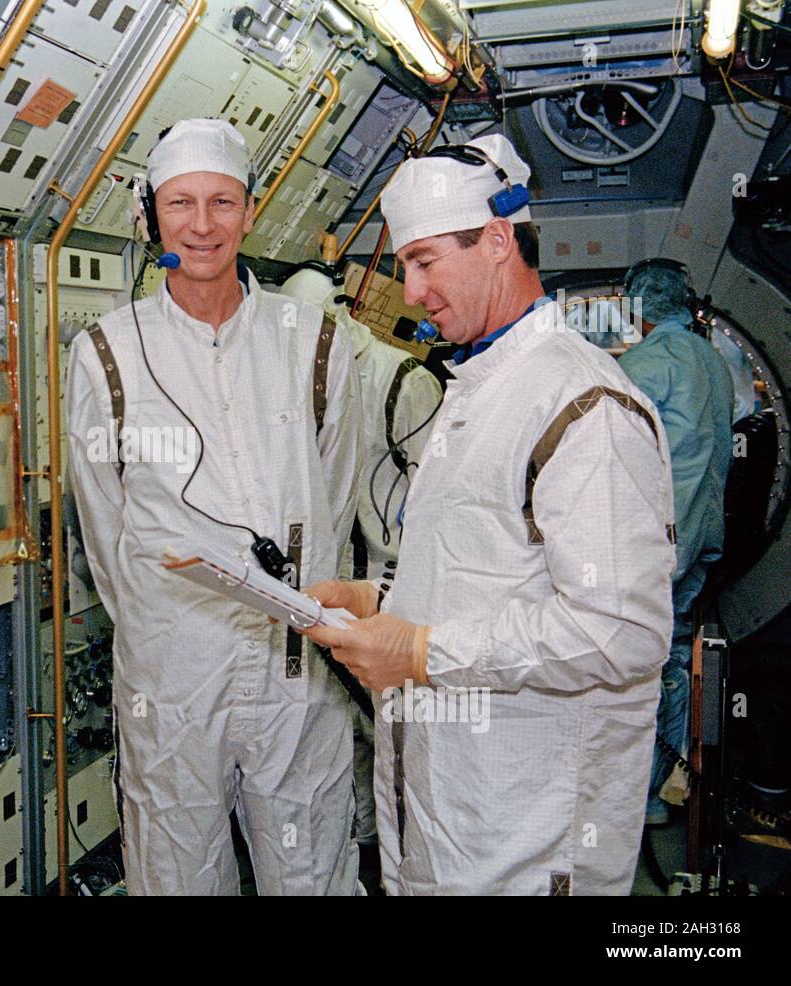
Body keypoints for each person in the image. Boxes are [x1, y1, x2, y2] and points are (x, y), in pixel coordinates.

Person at [299, 134, 676, 895]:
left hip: (527, 842)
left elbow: (622, 631)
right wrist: (381, 604)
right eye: (405, 263)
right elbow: (492, 574)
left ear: (498, 240)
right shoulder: (480, 387)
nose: (408, 292)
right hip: (450, 817)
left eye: (425, 261)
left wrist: (421, 651)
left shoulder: (580, 403)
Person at [67, 118, 363, 894]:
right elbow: (106, 527)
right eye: (181, 203)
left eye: (222, 202)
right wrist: (161, 627)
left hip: (293, 665)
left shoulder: (317, 342)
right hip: (173, 672)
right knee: (177, 869)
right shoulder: (106, 351)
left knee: (310, 866)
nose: (202, 226)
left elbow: (332, 495)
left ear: (251, 212)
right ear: (149, 214)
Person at [278, 261, 441, 862]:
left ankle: (403, 849)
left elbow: (433, 497)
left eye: (317, 325)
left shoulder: (404, 381)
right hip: (339, 584)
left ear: (344, 315)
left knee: (393, 729)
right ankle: (367, 846)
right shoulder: (308, 381)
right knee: (349, 727)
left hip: (392, 585)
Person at [618, 260, 734, 825]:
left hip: (660, 541)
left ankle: (638, 799)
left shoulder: (644, 365)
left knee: (636, 667)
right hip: (703, 531)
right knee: (673, 655)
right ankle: (667, 787)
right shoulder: (713, 361)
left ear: (638, 306)